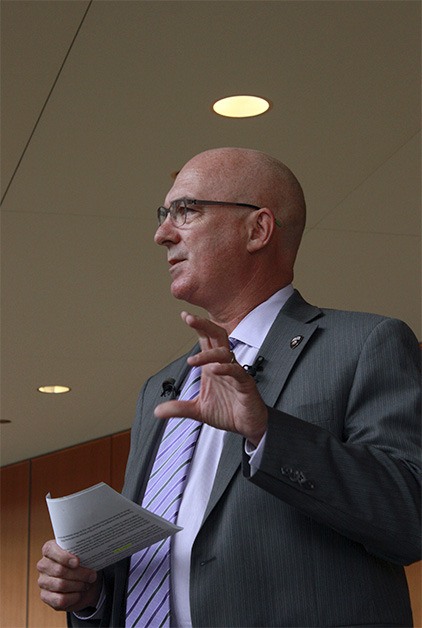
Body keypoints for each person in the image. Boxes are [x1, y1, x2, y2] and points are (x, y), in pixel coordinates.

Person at [37, 147, 421, 627]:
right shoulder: (160, 388)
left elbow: (410, 516)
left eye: (186, 210)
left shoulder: (365, 344)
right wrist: (90, 595)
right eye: (164, 214)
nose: (162, 233)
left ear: (257, 229)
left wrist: (267, 433)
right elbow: (158, 568)